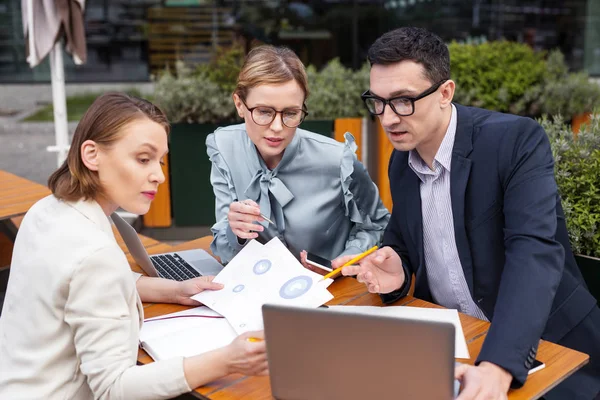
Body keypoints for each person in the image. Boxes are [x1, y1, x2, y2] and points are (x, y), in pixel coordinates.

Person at [338, 27, 600, 400]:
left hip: (548, 345)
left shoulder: (515, 141)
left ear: (446, 93)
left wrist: (498, 365)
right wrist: (396, 269)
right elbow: (404, 243)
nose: (389, 118)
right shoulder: (402, 161)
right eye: (377, 101)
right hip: (455, 342)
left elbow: (534, 252)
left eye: (403, 101)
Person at [0, 93, 268, 399]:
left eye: (160, 161)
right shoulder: (96, 255)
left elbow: (75, 282)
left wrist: (173, 290)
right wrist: (226, 359)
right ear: (92, 155)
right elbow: (115, 388)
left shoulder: (46, 211)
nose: (159, 175)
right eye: (143, 159)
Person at [207, 45, 390, 266]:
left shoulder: (338, 160)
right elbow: (225, 250)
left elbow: (377, 224)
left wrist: (347, 257)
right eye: (264, 112)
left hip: (332, 289)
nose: (277, 127)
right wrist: (235, 232)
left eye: (291, 113)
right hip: (258, 288)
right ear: (239, 105)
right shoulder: (224, 147)